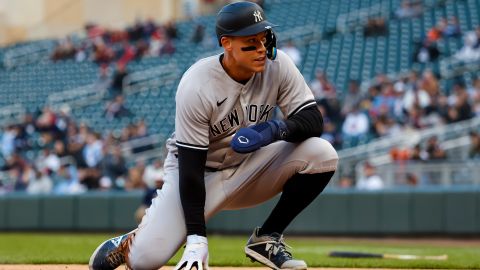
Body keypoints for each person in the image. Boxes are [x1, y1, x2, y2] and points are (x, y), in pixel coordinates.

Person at [89, 2, 338, 270]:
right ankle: (132, 241)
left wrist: (275, 129)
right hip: (197, 174)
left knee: (322, 154)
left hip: (248, 168)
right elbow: (190, 169)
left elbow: (313, 119)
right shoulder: (197, 83)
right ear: (227, 43)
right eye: (251, 42)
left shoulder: (278, 65)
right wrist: (197, 239)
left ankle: (266, 239)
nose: (261, 49)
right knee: (143, 262)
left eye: (264, 38)